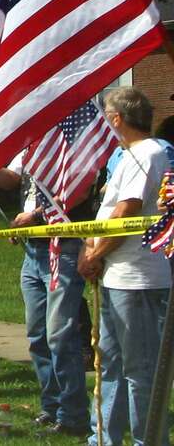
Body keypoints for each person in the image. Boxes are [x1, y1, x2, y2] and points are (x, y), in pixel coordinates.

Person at [78, 87, 171, 446]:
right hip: (117, 276)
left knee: (139, 370)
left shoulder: (147, 153)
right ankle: (102, 439)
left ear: (117, 119)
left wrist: (95, 252)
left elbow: (126, 211)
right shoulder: (131, 154)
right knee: (110, 366)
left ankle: (148, 440)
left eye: (107, 115)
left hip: (139, 279)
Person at [0, 155, 91, 435]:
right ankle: (52, 407)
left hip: (63, 248)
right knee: (37, 335)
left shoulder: (69, 141)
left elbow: (79, 190)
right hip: (33, 251)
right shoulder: (32, 142)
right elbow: (12, 178)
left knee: (60, 335)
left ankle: (74, 416)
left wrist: (34, 216)